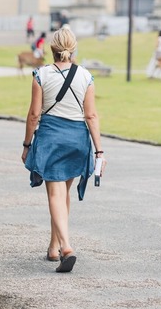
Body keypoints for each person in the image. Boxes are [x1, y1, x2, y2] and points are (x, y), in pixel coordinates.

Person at [21, 27, 104, 273]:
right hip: (77, 139)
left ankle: (66, 247)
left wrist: (27, 145)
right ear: (73, 48)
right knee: (64, 193)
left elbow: (34, 114)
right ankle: (53, 247)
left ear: (52, 48)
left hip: (52, 139)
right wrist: (100, 152)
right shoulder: (86, 76)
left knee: (55, 195)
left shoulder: (41, 75)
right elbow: (91, 115)